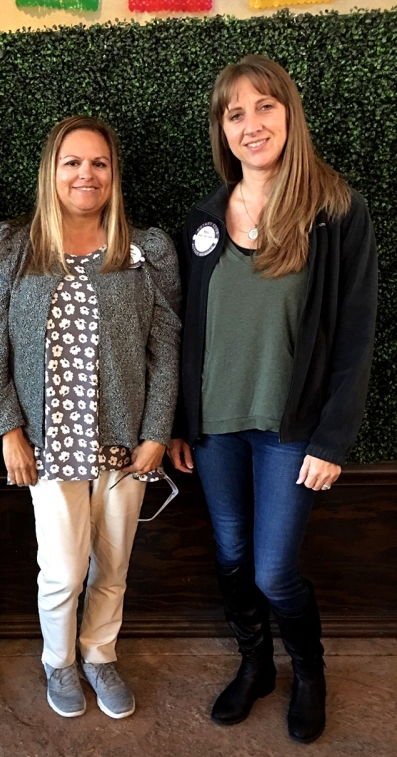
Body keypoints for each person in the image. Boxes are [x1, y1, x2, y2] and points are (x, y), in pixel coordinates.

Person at [169, 55, 377, 744]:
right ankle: (255, 664)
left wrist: (332, 438)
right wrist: (180, 423)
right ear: (221, 130)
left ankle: (309, 670)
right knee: (230, 553)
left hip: (291, 430)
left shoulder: (336, 210)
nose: (251, 124)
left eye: (264, 106)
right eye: (235, 113)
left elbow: (355, 331)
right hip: (214, 427)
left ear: (289, 113)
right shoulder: (202, 221)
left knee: (273, 567)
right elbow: (183, 332)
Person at [0, 116, 180, 719]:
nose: (85, 174)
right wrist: (9, 428)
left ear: (113, 176)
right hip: (48, 441)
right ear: (52, 171)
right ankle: (59, 660)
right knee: (64, 571)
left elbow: (164, 347)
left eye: (98, 164)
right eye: (72, 162)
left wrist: (155, 433)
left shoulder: (146, 250)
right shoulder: (14, 246)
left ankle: (99, 653)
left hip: (125, 443)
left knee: (112, 565)